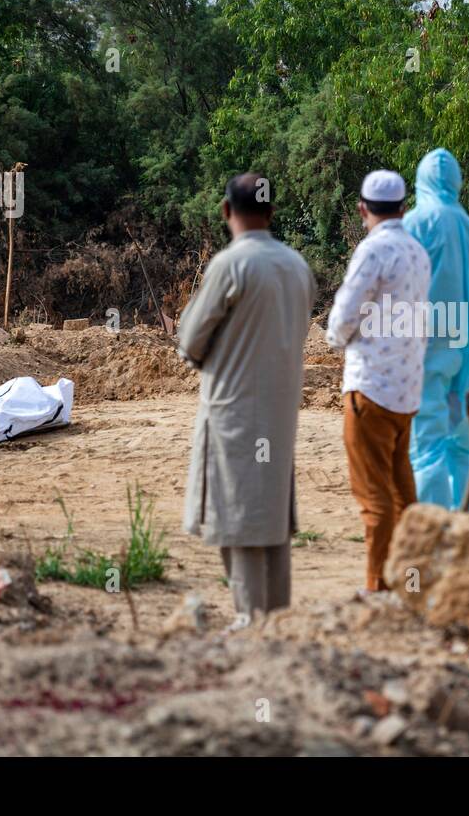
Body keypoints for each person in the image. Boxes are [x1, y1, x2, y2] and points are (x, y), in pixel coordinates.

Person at [177, 173, 315, 627]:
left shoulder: (231, 265)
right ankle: (275, 616)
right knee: (270, 511)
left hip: (233, 407)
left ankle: (249, 618)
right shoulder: (296, 265)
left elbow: (191, 341)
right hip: (280, 409)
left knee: (238, 513)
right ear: (271, 212)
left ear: (225, 211)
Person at [326, 170, 432, 593]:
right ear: (404, 207)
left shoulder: (373, 251)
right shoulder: (418, 252)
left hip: (370, 388)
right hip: (406, 392)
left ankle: (376, 584)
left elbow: (343, 318)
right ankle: (416, 577)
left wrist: (337, 340)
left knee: (374, 497)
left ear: (362, 209)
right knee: (403, 493)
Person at [402, 149, 469, 508]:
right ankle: (460, 515)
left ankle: (432, 522)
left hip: (427, 344)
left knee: (427, 440)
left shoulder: (416, 222)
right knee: (459, 440)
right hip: (463, 340)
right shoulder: (468, 224)